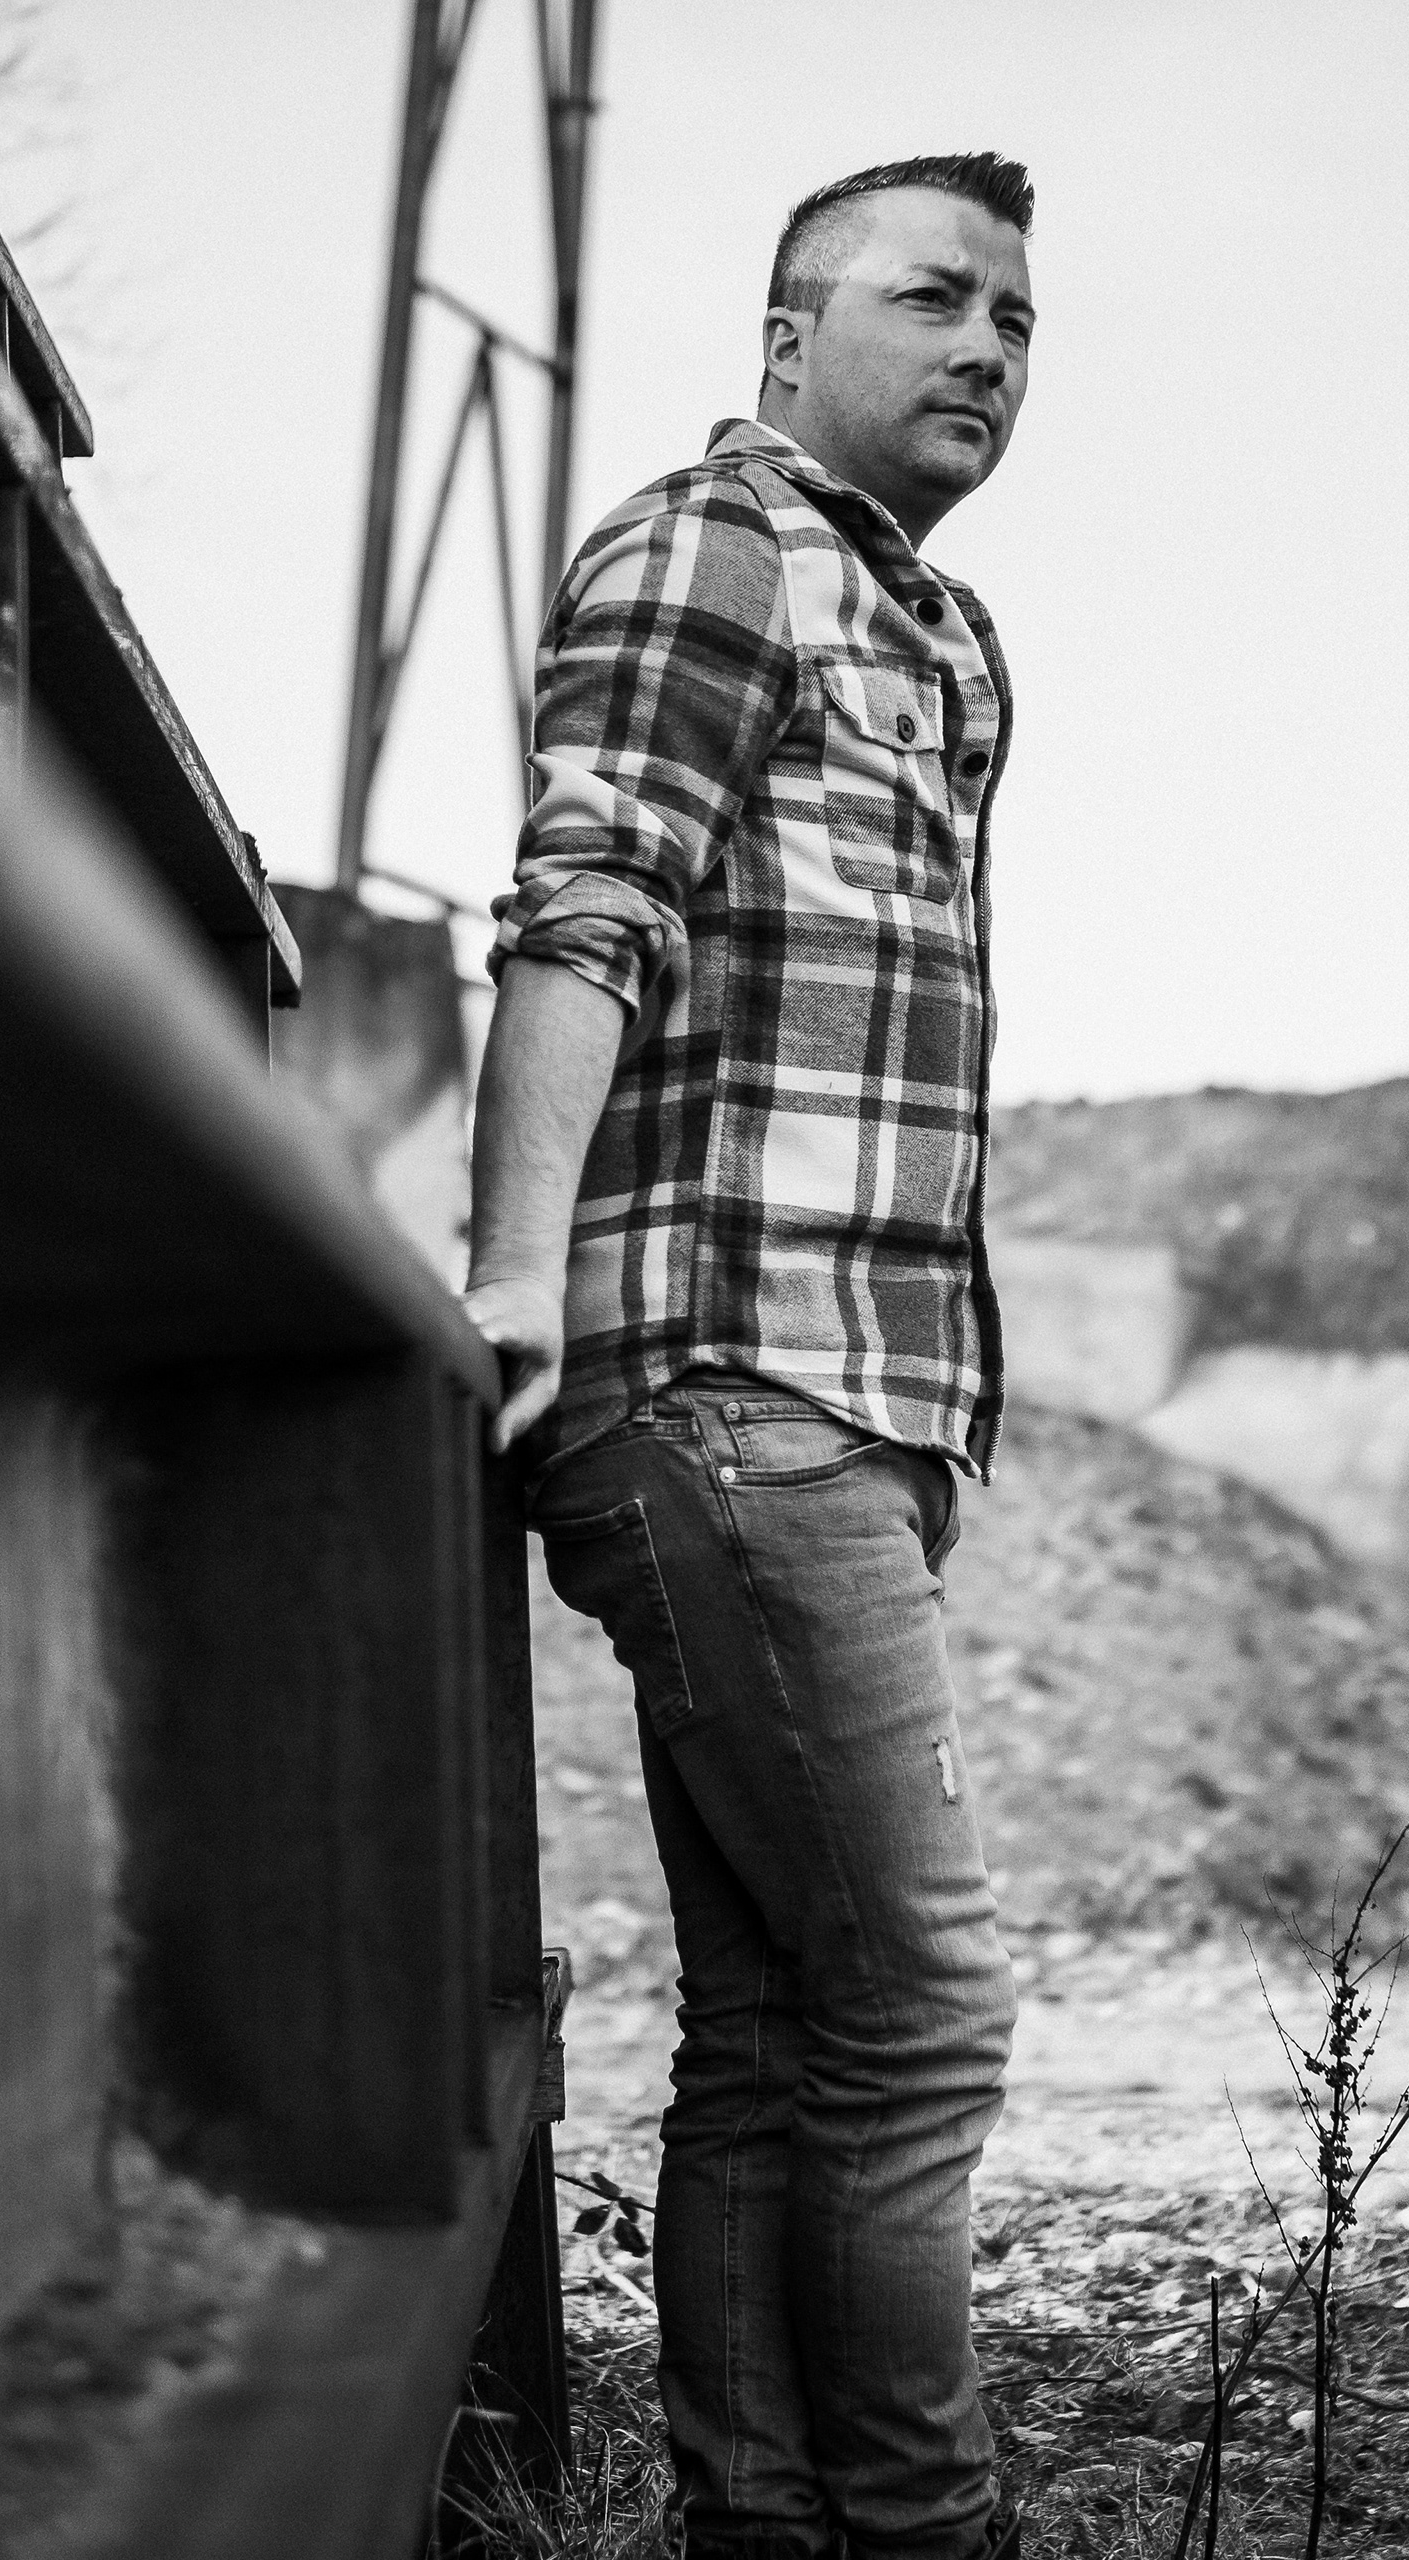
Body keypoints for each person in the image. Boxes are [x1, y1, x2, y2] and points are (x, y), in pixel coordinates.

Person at [466, 152, 1038, 2560]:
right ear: (791, 336)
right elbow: (587, 899)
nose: (989, 346)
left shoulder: (944, 628)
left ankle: (769, 2526)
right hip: (729, 1373)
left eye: (1018, 319)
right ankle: (925, 2529)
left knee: (786, 2031)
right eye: (935, 298)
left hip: (850, 1389)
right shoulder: (715, 546)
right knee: (922, 2005)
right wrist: (516, 1265)